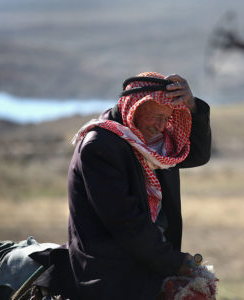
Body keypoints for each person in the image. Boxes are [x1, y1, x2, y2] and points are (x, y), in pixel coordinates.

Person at [66, 72, 212, 299]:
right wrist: (175, 262)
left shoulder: (156, 146)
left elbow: (198, 154)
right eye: (156, 116)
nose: (162, 126)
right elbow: (126, 222)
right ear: (134, 107)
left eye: (167, 118)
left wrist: (193, 107)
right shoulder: (100, 146)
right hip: (110, 268)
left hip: (149, 257)